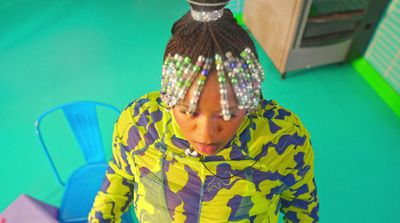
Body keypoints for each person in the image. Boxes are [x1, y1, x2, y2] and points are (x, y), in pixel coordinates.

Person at [88, 0, 319, 222]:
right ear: (169, 95)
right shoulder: (139, 126)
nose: (206, 134)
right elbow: (120, 175)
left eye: (226, 113)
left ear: (248, 97)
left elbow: (302, 207)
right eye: (189, 111)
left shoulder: (284, 142)